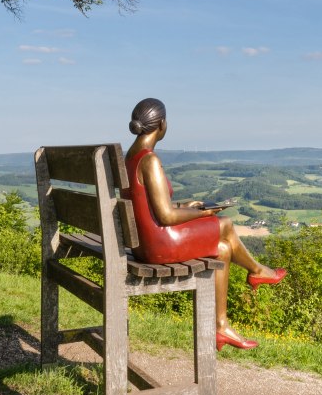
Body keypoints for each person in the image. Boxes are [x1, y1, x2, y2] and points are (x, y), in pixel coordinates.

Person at [123, 98, 286, 351]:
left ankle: (221, 326)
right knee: (226, 223)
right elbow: (165, 217)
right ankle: (257, 271)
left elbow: (152, 208)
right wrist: (203, 213)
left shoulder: (130, 158)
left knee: (223, 248)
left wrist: (188, 206)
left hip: (141, 245)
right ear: (162, 125)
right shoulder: (149, 160)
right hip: (158, 247)